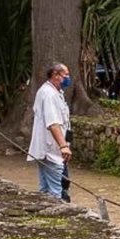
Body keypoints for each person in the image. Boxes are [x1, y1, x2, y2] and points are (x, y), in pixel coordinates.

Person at [27, 62, 72, 199]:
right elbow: (53, 123)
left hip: (53, 148)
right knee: (55, 190)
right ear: (56, 75)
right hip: (51, 149)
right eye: (66, 75)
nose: (68, 78)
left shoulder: (56, 92)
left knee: (47, 188)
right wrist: (63, 146)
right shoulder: (48, 94)